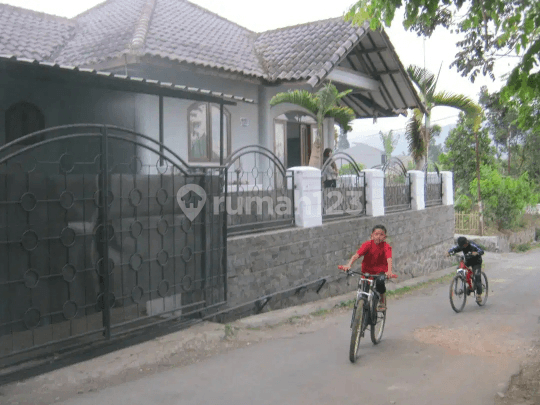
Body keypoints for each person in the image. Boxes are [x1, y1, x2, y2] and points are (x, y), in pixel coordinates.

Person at [340, 225, 395, 311]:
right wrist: (349, 265)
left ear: (385, 237)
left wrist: (389, 271)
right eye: (376, 234)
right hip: (367, 272)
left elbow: (389, 259)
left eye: (381, 235)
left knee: (380, 283)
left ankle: (382, 301)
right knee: (363, 291)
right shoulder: (367, 245)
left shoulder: (386, 247)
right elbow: (356, 256)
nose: (378, 237)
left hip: (379, 272)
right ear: (372, 236)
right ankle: (361, 310)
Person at [446, 236, 485, 302]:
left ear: (466, 243)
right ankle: (470, 286)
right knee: (460, 269)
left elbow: (481, 250)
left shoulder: (472, 245)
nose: (463, 247)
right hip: (468, 261)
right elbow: (455, 249)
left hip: (476, 262)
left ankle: (479, 295)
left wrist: (477, 253)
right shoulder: (461, 246)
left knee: (477, 276)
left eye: (464, 245)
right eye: (461, 246)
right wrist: (449, 252)